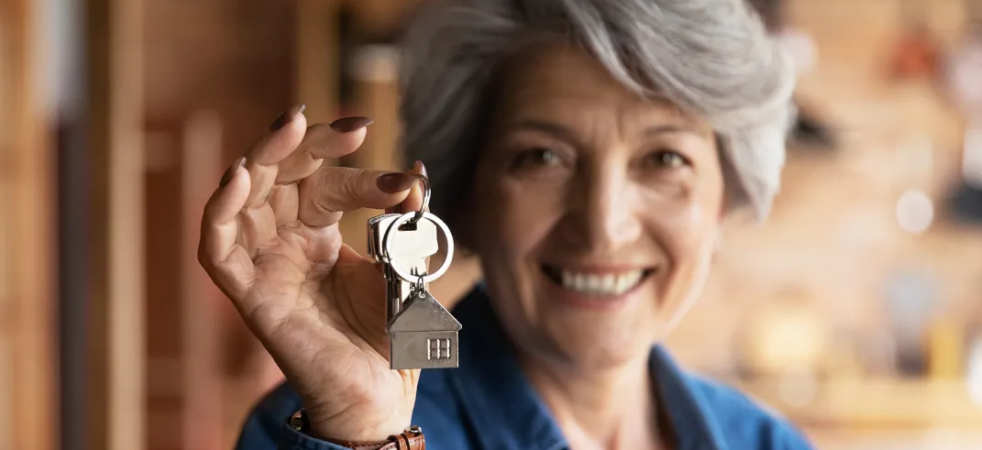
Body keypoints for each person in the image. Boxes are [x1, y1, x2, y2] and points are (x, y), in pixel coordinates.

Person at [199, 0, 809, 448]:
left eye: (665, 159)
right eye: (542, 157)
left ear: (725, 199)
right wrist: (363, 433)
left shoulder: (766, 442)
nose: (603, 227)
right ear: (467, 195)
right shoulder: (324, 429)